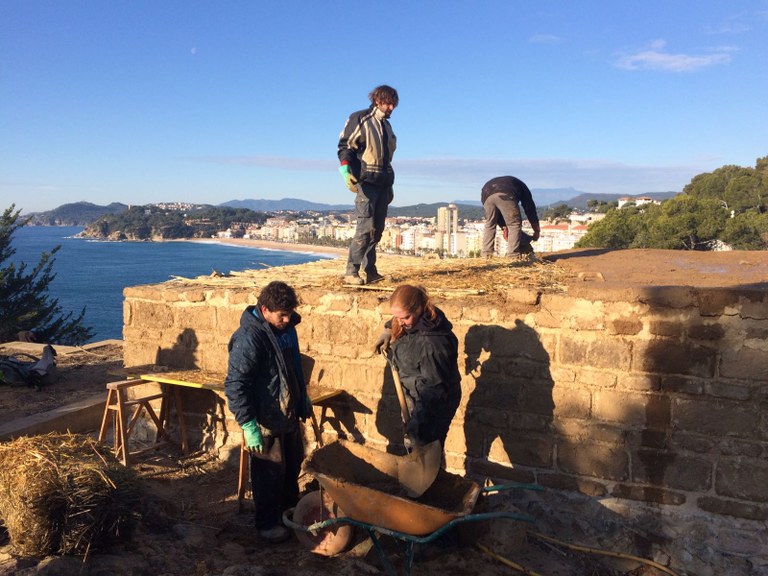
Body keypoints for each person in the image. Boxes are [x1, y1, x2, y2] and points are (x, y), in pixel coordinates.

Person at [224, 281, 310, 544]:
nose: (286, 319)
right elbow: (236, 385)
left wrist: (301, 398)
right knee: (268, 475)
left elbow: (293, 365)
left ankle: (288, 513)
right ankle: (266, 524)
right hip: (263, 419)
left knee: (292, 466)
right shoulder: (249, 338)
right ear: (265, 309)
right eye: (281, 315)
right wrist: (248, 425)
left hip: (287, 413)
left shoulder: (286, 328)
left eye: (288, 313)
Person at [374, 284, 461, 448]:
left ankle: (432, 474)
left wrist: (416, 425)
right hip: (414, 394)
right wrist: (388, 330)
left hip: (433, 404)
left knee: (425, 449)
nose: (400, 323)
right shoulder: (412, 321)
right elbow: (399, 319)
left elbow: (435, 389)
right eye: (396, 318)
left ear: (419, 309)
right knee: (414, 448)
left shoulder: (432, 344)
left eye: (405, 318)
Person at [338, 85, 398, 286]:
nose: (390, 107)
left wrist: (389, 185)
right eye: (387, 103)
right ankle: (351, 271)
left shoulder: (387, 127)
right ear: (377, 100)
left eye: (393, 104)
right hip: (366, 182)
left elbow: (388, 157)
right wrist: (346, 170)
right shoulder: (361, 119)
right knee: (365, 227)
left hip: (384, 182)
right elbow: (345, 146)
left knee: (377, 230)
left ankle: (370, 270)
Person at [481, 175, 541, 259]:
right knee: (514, 225)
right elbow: (530, 209)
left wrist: (504, 227)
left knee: (490, 224)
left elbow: (499, 214)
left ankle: (486, 255)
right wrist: (536, 230)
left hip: (486, 194)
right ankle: (513, 256)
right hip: (506, 193)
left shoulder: (516, 184)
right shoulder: (524, 189)